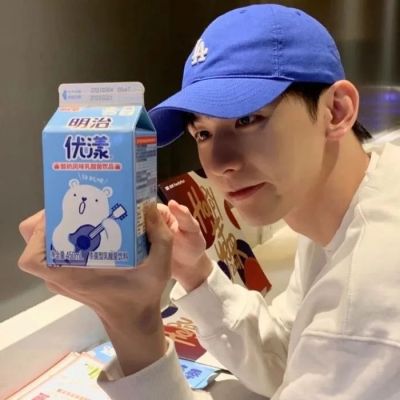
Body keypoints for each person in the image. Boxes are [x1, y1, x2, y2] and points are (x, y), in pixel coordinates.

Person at [18, 4, 400, 400]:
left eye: (247, 119)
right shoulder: (343, 208)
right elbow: (291, 356)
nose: (218, 164)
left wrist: (134, 325)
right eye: (202, 133)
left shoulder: (370, 298)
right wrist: (194, 269)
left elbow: (340, 340)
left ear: (336, 111)